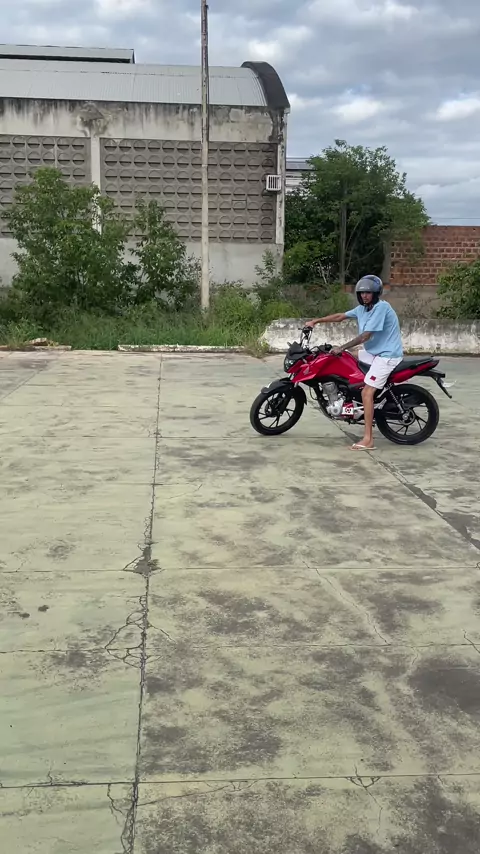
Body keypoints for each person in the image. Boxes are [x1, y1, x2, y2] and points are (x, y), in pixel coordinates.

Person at [306, 275, 403, 451]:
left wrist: (342, 347)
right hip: (373, 353)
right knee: (347, 362)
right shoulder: (362, 309)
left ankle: (368, 439)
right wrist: (316, 321)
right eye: (362, 293)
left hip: (387, 355)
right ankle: (353, 402)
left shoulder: (382, 308)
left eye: (368, 293)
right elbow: (340, 316)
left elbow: (366, 336)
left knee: (367, 392)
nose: (364, 295)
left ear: (376, 294)